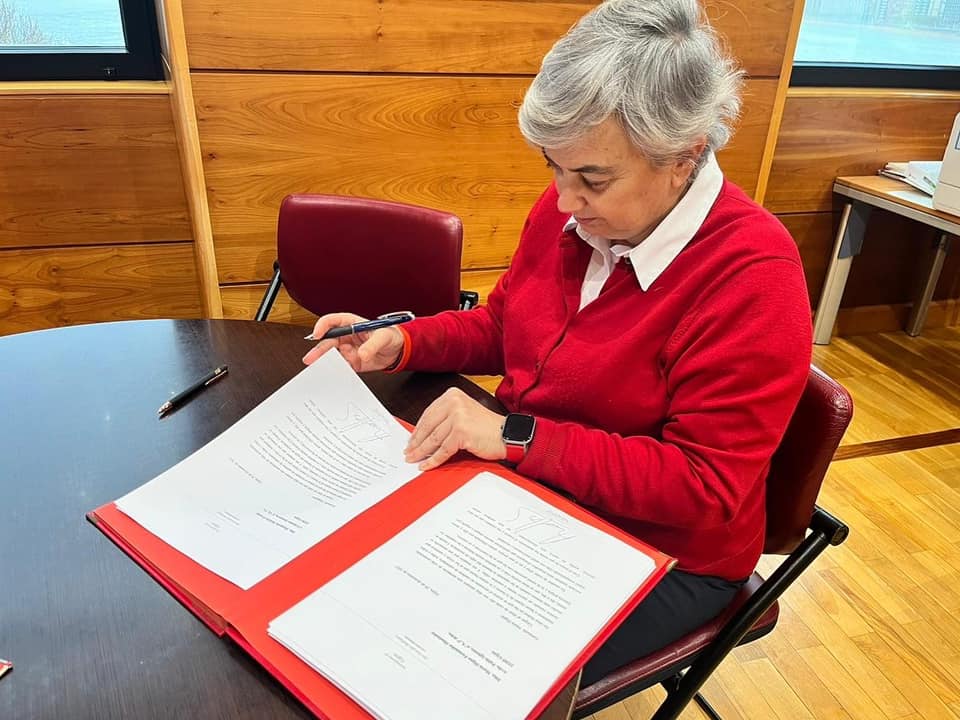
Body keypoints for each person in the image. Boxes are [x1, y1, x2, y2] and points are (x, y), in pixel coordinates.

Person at [304, 0, 812, 687]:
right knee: (351, 589)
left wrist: (515, 436)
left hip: (661, 551)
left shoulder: (753, 277)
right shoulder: (576, 209)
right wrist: (402, 343)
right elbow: (509, 325)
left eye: (592, 179)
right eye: (553, 168)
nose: (563, 201)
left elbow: (703, 486)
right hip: (538, 492)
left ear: (684, 156)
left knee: (448, 671)